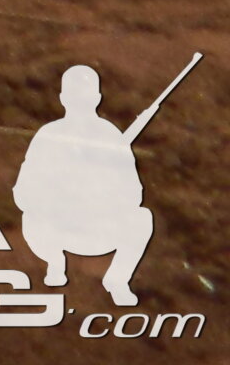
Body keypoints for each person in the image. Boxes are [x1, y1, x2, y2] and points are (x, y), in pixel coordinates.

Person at [15, 64, 156, 306]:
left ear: (97, 98)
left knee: (142, 219)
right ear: (63, 99)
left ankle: (117, 280)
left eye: (85, 96)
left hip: (99, 228)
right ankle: (55, 262)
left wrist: (101, 194)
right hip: (55, 229)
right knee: (30, 218)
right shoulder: (48, 135)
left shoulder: (111, 138)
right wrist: (56, 198)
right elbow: (22, 192)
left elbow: (135, 193)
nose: (80, 101)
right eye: (75, 96)